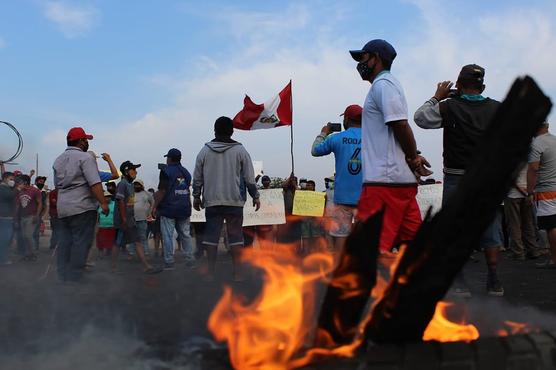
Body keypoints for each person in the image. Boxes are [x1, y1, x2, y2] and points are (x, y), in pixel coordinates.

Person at [414, 64, 504, 296]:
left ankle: (460, 282)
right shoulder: (497, 108)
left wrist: (436, 97)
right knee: (491, 229)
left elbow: (420, 118)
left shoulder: (449, 106)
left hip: (455, 177)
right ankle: (494, 280)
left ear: (459, 85)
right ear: (482, 86)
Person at [349, 39, 432, 255]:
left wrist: (413, 157)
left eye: (363, 57)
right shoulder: (387, 86)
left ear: (376, 57)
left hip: (382, 184)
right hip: (400, 184)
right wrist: (413, 157)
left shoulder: (383, 85)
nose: (360, 63)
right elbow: (396, 132)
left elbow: (400, 123)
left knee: (368, 252)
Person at [192, 116, 260, 281]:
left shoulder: (204, 151)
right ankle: (238, 274)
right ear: (232, 131)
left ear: (214, 130)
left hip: (212, 201)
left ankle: (209, 273)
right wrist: (255, 196)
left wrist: (196, 196)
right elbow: (249, 178)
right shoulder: (240, 150)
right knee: (236, 238)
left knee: (211, 238)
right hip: (234, 202)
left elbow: (197, 177)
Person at [53, 127, 109, 282]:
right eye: (85, 140)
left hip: (63, 208)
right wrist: (103, 203)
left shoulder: (58, 160)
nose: (87, 142)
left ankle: (62, 275)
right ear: (80, 141)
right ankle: (74, 277)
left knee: (65, 242)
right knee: (81, 243)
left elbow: (58, 185)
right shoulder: (85, 158)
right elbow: (95, 183)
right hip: (82, 208)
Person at [312, 104, 363, 251]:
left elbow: (315, 150)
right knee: (365, 238)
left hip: (342, 199)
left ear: (346, 119)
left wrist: (323, 133)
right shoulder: (373, 138)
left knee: (341, 238)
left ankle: (338, 271)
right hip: (366, 197)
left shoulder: (336, 138)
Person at [113, 161, 161, 274]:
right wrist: (124, 219)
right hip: (122, 221)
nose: (136, 172)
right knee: (118, 243)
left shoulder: (130, 185)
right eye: (133, 169)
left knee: (137, 241)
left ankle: (146, 266)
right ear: (126, 171)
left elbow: (129, 203)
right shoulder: (123, 184)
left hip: (130, 220)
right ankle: (113, 267)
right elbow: (120, 201)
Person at [153, 148, 195, 270]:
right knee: (185, 235)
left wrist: (154, 206)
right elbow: (183, 187)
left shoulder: (165, 171)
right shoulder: (186, 172)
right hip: (184, 207)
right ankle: (190, 260)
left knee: (167, 235)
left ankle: (169, 262)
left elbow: (162, 191)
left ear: (169, 159)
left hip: (169, 208)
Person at [528, 122, 556, 269]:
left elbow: (533, 169)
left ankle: (554, 259)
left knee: (551, 226)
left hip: (546, 190)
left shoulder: (537, 144)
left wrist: (529, 191)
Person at [504, 163, 543, 260]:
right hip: (528, 193)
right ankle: (533, 250)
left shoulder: (513, 157)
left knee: (514, 224)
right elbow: (535, 173)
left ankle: (518, 252)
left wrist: (521, 190)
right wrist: (530, 191)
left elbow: (510, 177)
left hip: (513, 194)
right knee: (528, 224)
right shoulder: (532, 156)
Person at [15, 175, 42, 261]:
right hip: (22, 217)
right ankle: (27, 254)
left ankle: (33, 254)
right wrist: (16, 217)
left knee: (28, 236)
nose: (18, 183)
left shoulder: (35, 190)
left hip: (31, 216)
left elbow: (40, 203)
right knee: (23, 236)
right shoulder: (20, 191)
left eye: (19, 182)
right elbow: (18, 205)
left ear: (25, 182)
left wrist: (37, 215)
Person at [133, 179, 154, 256]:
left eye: (138, 184)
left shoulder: (147, 193)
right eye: (135, 184)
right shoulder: (132, 193)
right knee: (133, 237)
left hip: (142, 219)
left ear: (141, 185)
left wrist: (150, 212)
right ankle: (132, 253)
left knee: (143, 236)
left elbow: (152, 202)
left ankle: (146, 252)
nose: (136, 186)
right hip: (133, 219)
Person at [0, 171, 16, 265]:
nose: (12, 181)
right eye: (11, 179)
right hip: (4, 218)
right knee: (4, 240)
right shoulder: (2, 188)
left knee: (5, 239)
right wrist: (17, 189)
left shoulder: (6, 187)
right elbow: (10, 196)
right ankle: (3, 259)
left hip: (7, 218)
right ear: (5, 179)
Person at [96, 190, 116, 257]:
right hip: (102, 226)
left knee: (110, 241)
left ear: (110, 197)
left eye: (108, 197)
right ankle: (101, 254)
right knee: (100, 241)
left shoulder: (115, 204)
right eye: (105, 197)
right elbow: (98, 215)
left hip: (112, 226)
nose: (107, 198)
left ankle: (109, 253)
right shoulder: (100, 205)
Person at [33, 176, 48, 251]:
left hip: (38, 215)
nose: (42, 183)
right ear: (36, 182)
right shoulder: (32, 189)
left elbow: (44, 204)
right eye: (40, 182)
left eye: (43, 182)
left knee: (36, 232)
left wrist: (42, 214)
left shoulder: (43, 192)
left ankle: (35, 247)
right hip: (30, 214)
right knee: (28, 232)